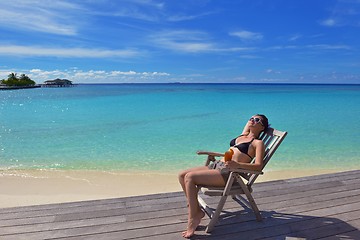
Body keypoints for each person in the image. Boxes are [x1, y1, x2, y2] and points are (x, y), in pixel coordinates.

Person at [178, 114, 269, 238]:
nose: (252, 121)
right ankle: (196, 210)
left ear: (262, 127)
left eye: (257, 120)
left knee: (190, 177)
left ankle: (193, 216)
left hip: (229, 173)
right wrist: (251, 122)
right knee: (182, 175)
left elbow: (258, 166)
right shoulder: (243, 135)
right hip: (217, 165)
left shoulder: (257, 143)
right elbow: (248, 125)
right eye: (251, 118)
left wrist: (237, 164)